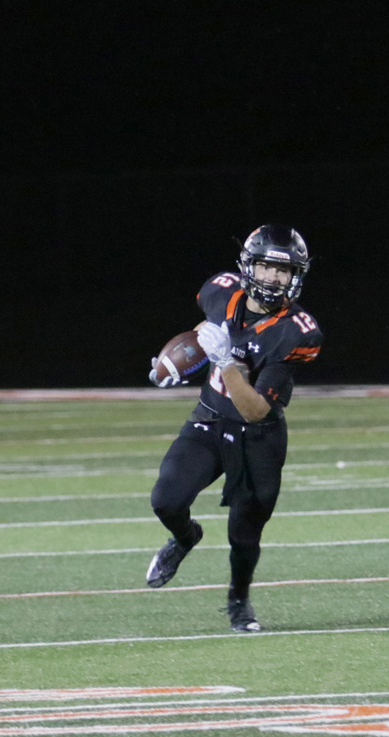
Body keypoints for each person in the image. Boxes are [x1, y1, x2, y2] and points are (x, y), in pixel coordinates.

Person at [146, 224, 322, 632]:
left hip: (257, 436)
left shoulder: (297, 332)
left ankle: (238, 600)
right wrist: (174, 363)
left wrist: (224, 360)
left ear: (297, 277)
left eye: (284, 271)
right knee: (165, 500)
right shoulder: (219, 291)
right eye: (265, 268)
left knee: (244, 533)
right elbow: (202, 332)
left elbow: (257, 409)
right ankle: (186, 537)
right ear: (247, 266)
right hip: (208, 419)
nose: (274, 279)